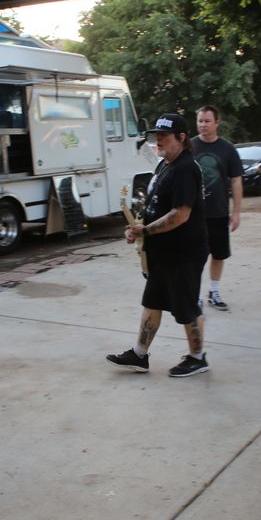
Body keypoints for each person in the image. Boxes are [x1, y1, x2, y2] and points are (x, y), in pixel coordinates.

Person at [106, 113, 211, 377]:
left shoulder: (186, 168)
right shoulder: (165, 164)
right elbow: (155, 204)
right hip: (163, 252)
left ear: (181, 137)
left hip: (184, 252)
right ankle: (139, 354)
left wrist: (145, 230)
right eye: (157, 135)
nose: (158, 139)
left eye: (164, 135)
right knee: (152, 301)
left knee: (186, 306)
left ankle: (198, 358)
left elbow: (180, 214)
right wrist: (137, 228)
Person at [191, 105, 243, 311]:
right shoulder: (189, 147)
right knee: (195, 256)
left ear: (217, 122)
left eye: (207, 121)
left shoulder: (227, 149)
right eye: (200, 121)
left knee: (219, 254)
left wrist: (236, 212)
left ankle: (214, 291)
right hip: (192, 214)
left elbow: (236, 181)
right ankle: (194, 295)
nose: (203, 125)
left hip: (219, 212)